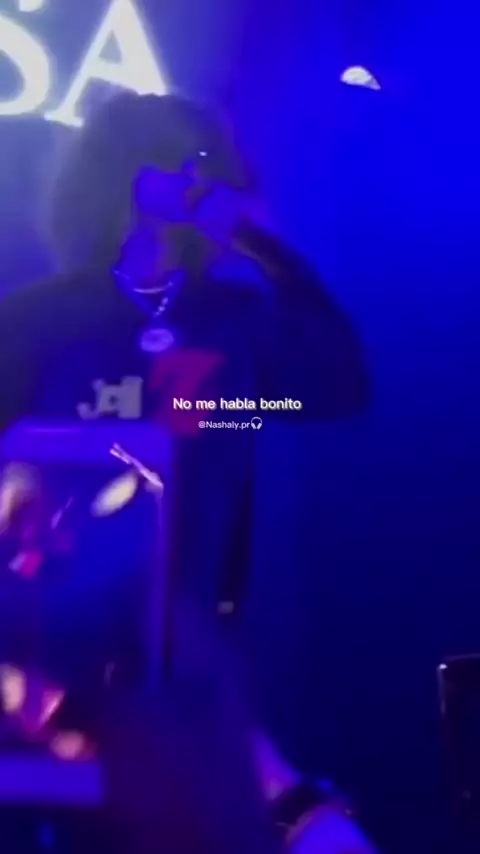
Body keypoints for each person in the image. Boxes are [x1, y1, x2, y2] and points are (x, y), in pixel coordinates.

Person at [0, 92, 371, 850]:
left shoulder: (233, 318)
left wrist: (263, 244)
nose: (204, 181)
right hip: (55, 657)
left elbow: (338, 385)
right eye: (185, 162)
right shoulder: (39, 319)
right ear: (126, 172)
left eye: (213, 166)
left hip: (201, 654)